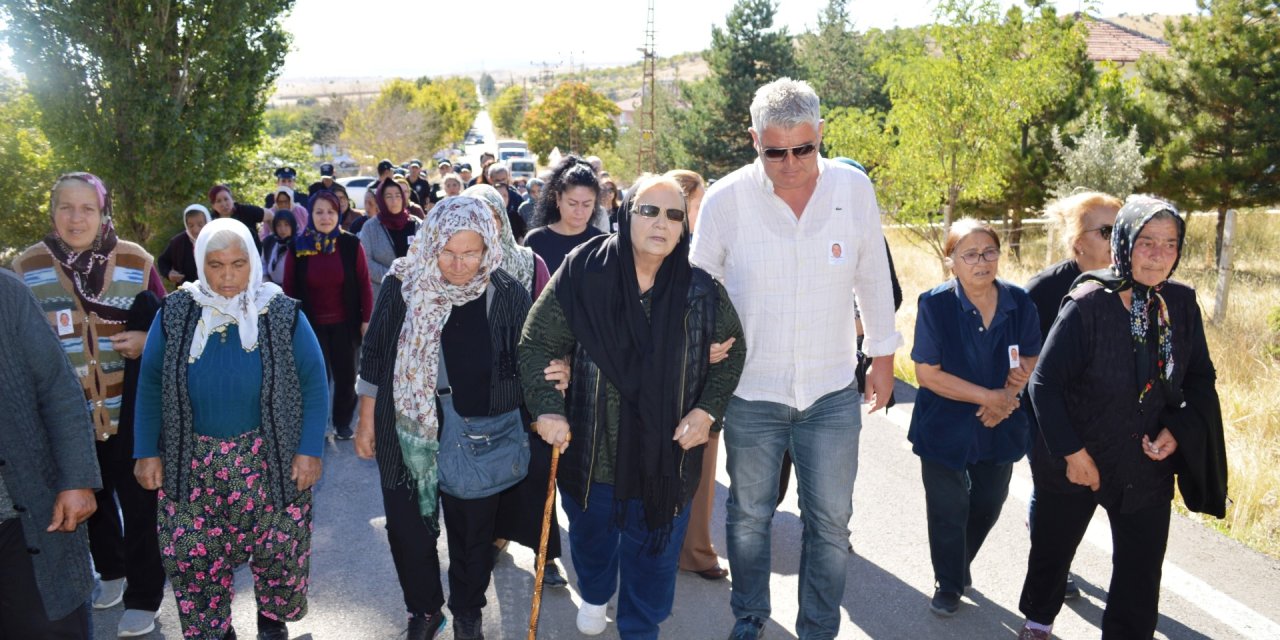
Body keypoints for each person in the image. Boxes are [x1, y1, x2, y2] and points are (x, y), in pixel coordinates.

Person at [690, 78, 901, 640]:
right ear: (754, 139)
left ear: (821, 135)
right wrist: (702, 340)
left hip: (831, 389)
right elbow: (696, 285)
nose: (789, 163)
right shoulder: (727, 198)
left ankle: (818, 628)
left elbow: (872, 276)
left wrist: (882, 355)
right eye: (774, 151)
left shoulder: (853, 188)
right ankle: (750, 617)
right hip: (751, 391)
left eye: (803, 148)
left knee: (830, 523)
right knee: (749, 517)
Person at [520, 175, 746, 639]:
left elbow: (733, 352)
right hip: (591, 453)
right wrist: (548, 409)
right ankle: (597, 592)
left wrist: (706, 412)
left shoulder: (701, 292)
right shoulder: (585, 272)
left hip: (666, 459)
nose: (661, 223)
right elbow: (538, 341)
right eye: (649, 211)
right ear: (626, 214)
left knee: (655, 558)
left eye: (674, 215)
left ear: (685, 228)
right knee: (592, 542)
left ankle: (640, 628)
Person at [353, 196, 567, 640]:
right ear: (431, 243)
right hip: (405, 432)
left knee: (473, 537)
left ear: (488, 248)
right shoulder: (403, 284)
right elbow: (375, 355)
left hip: (480, 434)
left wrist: (554, 375)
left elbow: (529, 356)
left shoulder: (506, 292)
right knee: (408, 531)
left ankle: (468, 611)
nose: (458, 263)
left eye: (470, 253)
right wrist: (367, 418)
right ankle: (425, 610)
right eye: (448, 251)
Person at [1020, 196, 1227, 640]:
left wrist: (1178, 430)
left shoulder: (1182, 304)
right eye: (1147, 241)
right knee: (1053, 554)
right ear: (1125, 242)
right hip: (1078, 458)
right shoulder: (1088, 303)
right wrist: (1073, 454)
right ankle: (1038, 623)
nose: (1157, 254)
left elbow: (1200, 378)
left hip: (1145, 465)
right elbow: (1044, 385)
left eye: (1170, 244)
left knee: (1139, 574)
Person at [133, 218, 329, 640]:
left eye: (238, 264)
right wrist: (146, 450)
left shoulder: (281, 313)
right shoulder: (175, 313)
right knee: (192, 556)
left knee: (277, 548)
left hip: (268, 459)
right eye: (215, 264)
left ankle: (271, 622)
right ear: (200, 264)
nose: (226, 276)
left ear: (253, 264)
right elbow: (149, 383)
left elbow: (314, 381)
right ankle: (215, 631)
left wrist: (310, 448)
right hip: (191, 462)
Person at [12, 172, 169, 637]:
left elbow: (171, 327)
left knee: (141, 508)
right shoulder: (26, 268)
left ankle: (144, 595)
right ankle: (112, 572)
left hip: (131, 414)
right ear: (52, 211)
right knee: (89, 502)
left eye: (87, 208)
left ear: (103, 213)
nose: (76, 217)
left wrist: (146, 339)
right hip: (65, 419)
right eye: (66, 207)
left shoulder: (135, 260)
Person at [908, 218, 1041, 617]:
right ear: (951, 261)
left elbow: (1032, 353)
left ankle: (958, 561)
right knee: (948, 507)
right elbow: (927, 373)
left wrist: (1011, 394)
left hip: (1000, 422)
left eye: (989, 252)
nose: (981, 262)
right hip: (944, 424)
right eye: (970, 254)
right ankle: (948, 582)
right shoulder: (935, 304)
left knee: (988, 502)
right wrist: (991, 396)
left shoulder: (1020, 301)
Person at [1019, 191, 1122, 610]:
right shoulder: (1043, 291)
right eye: (1108, 231)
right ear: (1079, 242)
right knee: (1055, 495)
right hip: (1050, 423)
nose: (1119, 239)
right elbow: (1025, 365)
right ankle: (1052, 572)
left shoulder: (1136, 287)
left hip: (1109, 425)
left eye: (1122, 228)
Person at [0, 269, 102, 640]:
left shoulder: (7, 293)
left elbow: (59, 388)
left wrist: (77, 479)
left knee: (49, 627)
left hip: (25, 515)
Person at [283, 191, 374, 440]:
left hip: (346, 323)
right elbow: (289, 287)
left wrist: (366, 319)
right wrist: (290, 324)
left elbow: (364, 283)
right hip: (310, 325)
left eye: (331, 212)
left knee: (346, 376)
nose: (325, 217)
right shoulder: (298, 247)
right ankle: (317, 425)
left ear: (339, 213)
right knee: (317, 379)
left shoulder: (351, 244)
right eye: (319, 212)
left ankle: (343, 423)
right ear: (310, 215)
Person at [524, 156, 608, 275]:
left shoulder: (603, 243)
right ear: (558, 198)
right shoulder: (536, 240)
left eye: (586, 205)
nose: (579, 211)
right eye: (572, 203)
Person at [359, 179, 422, 303]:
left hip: (415, 296)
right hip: (383, 296)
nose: (394, 200)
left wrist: (413, 277)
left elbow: (428, 255)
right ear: (381, 200)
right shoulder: (370, 227)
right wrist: (395, 276)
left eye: (398, 195)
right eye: (388, 196)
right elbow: (365, 261)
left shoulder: (417, 224)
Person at [157, 204, 211, 286]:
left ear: (207, 222)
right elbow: (162, 261)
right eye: (191, 226)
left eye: (200, 225)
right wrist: (169, 273)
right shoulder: (178, 242)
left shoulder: (216, 240)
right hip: (187, 290)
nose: (196, 230)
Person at [210, 183, 273, 254]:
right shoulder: (211, 223)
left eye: (226, 199)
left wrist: (273, 239)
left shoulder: (246, 211)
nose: (224, 204)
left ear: (232, 199)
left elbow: (270, 215)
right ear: (213, 206)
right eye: (218, 201)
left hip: (253, 258)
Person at [485, 162, 527, 241]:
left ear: (508, 177)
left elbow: (522, 223)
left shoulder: (516, 197)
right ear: (490, 179)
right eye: (497, 180)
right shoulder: (484, 197)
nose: (501, 182)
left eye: (503, 179)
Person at [261, 209, 297, 286]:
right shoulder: (269, 242)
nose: (282, 229)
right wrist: (266, 281)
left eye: (286, 224)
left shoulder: (299, 245)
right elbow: (263, 263)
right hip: (272, 288)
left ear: (292, 226)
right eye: (279, 225)